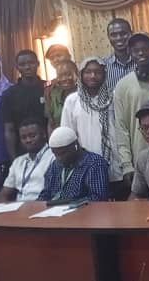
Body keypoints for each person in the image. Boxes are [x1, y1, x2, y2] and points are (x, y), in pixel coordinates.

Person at [113, 32, 149, 196]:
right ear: (131, 54)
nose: (141, 53)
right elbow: (121, 128)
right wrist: (127, 164)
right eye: (136, 50)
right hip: (140, 162)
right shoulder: (123, 85)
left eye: (146, 49)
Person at [60, 57, 121, 186]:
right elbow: (68, 135)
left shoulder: (114, 97)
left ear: (104, 75)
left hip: (115, 164)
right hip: (86, 167)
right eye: (88, 72)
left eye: (98, 72)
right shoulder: (72, 101)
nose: (93, 76)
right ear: (81, 74)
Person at [38, 127, 110, 202]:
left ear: (76, 146)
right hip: (53, 211)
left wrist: (70, 204)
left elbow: (97, 198)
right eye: (56, 154)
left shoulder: (94, 163)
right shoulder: (55, 165)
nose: (59, 158)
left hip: (82, 211)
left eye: (63, 153)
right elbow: (45, 194)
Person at [0, 49, 46, 159]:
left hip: (48, 148)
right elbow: (9, 130)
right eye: (22, 64)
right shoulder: (9, 94)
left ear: (38, 64)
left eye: (31, 63)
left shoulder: (48, 89)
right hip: (22, 151)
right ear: (17, 67)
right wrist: (14, 159)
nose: (27, 67)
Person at [0, 118, 55, 202]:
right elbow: (4, 193)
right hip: (18, 208)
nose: (28, 140)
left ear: (44, 134)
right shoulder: (18, 162)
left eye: (32, 136)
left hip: (42, 205)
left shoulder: (53, 157)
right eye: (23, 137)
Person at [101, 17, 135, 90]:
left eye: (123, 33)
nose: (119, 38)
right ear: (108, 37)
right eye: (113, 35)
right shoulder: (102, 66)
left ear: (131, 34)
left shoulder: (143, 61)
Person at [45, 59, 78, 131]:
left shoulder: (85, 95)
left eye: (68, 74)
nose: (64, 79)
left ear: (76, 74)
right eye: (60, 75)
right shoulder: (52, 96)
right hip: (61, 140)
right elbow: (51, 125)